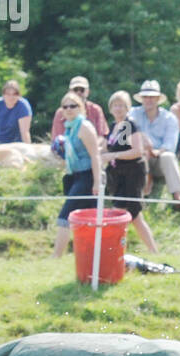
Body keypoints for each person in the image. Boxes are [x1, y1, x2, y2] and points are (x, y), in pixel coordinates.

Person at [104, 90, 159, 253]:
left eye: (121, 105)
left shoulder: (130, 125)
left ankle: (151, 250)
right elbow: (109, 147)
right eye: (115, 105)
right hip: (118, 175)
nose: (118, 108)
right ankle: (116, 249)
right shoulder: (114, 126)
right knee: (120, 212)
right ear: (110, 108)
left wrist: (113, 155)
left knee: (133, 214)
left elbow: (137, 150)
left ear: (127, 108)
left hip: (133, 173)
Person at [52, 92, 102, 257]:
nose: (68, 109)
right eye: (65, 106)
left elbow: (95, 155)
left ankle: (56, 256)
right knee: (88, 218)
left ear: (80, 108)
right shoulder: (69, 128)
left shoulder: (84, 127)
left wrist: (96, 182)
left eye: (72, 106)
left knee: (65, 216)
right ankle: (88, 254)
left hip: (87, 176)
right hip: (75, 176)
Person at [128, 80, 180, 208]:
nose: (148, 100)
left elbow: (169, 145)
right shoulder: (133, 114)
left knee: (168, 156)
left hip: (159, 158)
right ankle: (141, 193)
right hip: (138, 156)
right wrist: (143, 144)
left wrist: (154, 151)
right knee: (141, 152)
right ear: (141, 99)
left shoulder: (169, 118)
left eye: (152, 97)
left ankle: (178, 198)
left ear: (158, 99)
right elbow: (126, 137)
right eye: (145, 97)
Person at [50, 76, 108, 142]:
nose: (78, 92)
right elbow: (58, 138)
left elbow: (102, 136)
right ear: (69, 92)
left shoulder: (96, 110)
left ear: (88, 92)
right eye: (75, 90)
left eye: (82, 89)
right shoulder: (61, 112)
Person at [0, 80, 31, 145]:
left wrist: (28, 149)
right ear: (3, 95)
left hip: (16, 142)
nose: (11, 97)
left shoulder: (23, 106)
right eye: (8, 94)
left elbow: (24, 132)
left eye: (15, 94)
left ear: (19, 95)